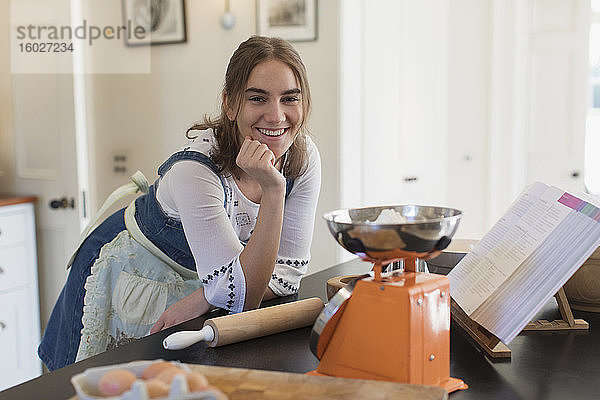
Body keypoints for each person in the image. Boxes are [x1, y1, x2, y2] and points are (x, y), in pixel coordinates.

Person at [38, 36, 321, 371]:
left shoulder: (301, 158)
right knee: (85, 384)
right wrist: (273, 193)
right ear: (229, 104)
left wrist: (204, 297)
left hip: (202, 281)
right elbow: (240, 297)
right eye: (257, 98)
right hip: (131, 269)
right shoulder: (195, 170)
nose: (276, 116)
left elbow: (286, 275)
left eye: (290, 99)